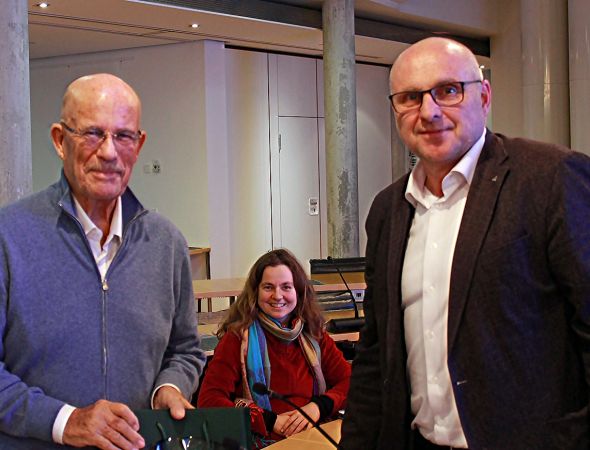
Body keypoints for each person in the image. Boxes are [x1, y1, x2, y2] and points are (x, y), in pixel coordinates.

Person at [340, 37, 590, 450]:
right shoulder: (388, 210)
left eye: (448, 90)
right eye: (410, 97)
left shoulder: (551, 179)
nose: (429, 111)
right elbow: (376, 351)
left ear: (484, 97)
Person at [0, 73, 206, 449]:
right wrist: (65, 421)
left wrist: (170, 386)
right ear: (60, 141)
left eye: (123, 136)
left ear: (139, 145)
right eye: (93, 133)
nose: (109, 152)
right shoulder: (9, 237)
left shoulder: (166, 243)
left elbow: (185, 348)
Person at [197, 249, 351, 447]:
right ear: (256, 292)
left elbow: (350, 382)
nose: (277, 296)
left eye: (286, 287)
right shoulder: (236, 339)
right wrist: (269, 420)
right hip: (259, 440)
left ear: (298, 291)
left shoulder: (314, 334)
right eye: (268, 287)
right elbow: (209, 400)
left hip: (312, 437)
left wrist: (318, 407)